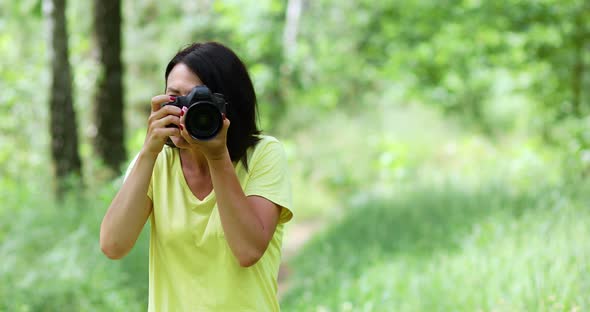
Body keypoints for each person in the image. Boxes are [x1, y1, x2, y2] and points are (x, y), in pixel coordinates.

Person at [99, 41, 293, 311]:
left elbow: (248, 251)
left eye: (198, 100)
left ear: (227, 105)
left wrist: (217, 157)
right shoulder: (155, 162)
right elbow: (113, 245)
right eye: (175, 97)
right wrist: (148, 151)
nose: (185, 112)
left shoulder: (263, 155)